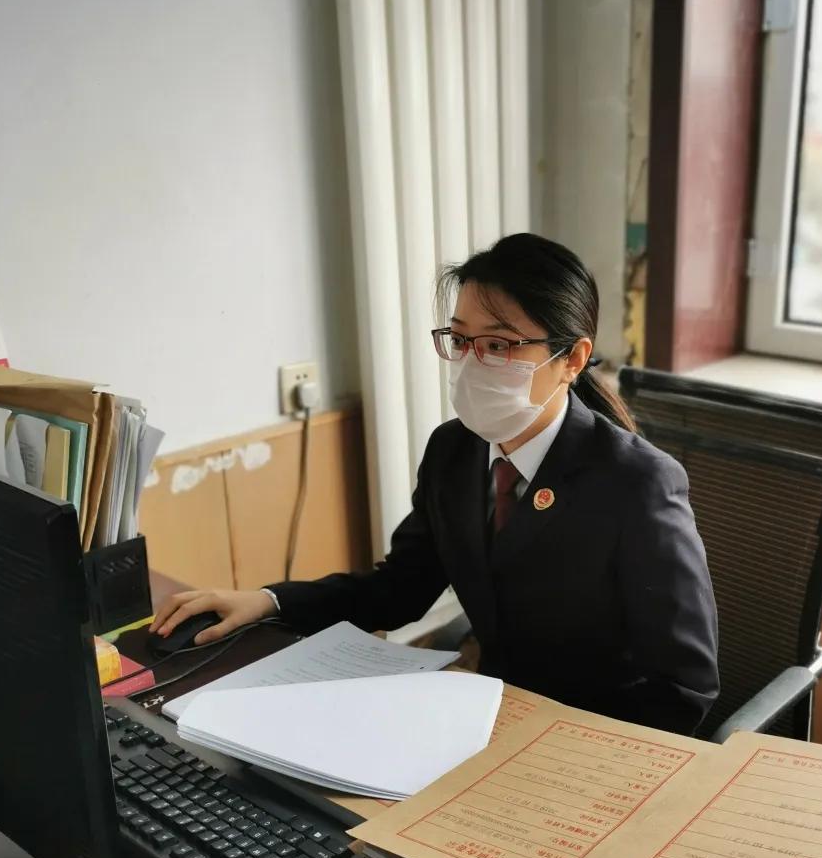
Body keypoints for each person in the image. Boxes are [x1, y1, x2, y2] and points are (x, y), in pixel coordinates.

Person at [151, 233, 719, 735]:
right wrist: (269, 600)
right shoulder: (454, 451)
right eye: (461, 339)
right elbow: (400, 588)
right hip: (482, 720)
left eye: (499, 345)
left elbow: (684, 687)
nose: (471, 362)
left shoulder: (635, 483)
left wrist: (564, 750)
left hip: (585, 741)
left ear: (572, 359)